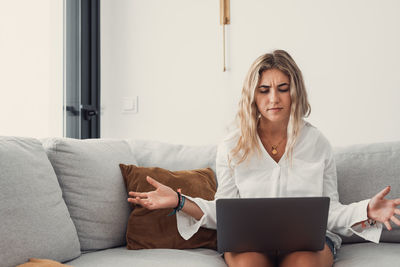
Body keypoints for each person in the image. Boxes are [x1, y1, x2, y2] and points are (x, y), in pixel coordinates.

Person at [127, 50, 400, 267]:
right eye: (264, 90)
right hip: (249, 243)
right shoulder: (232, 146)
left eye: (283, 88)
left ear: (295, 93)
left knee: (302, 264)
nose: (274, 98)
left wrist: (367, 210)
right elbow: (223, 212)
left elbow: (330, 213)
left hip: (306, 245)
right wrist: (179, 201)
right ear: (253, 95)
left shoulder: (317, 143)